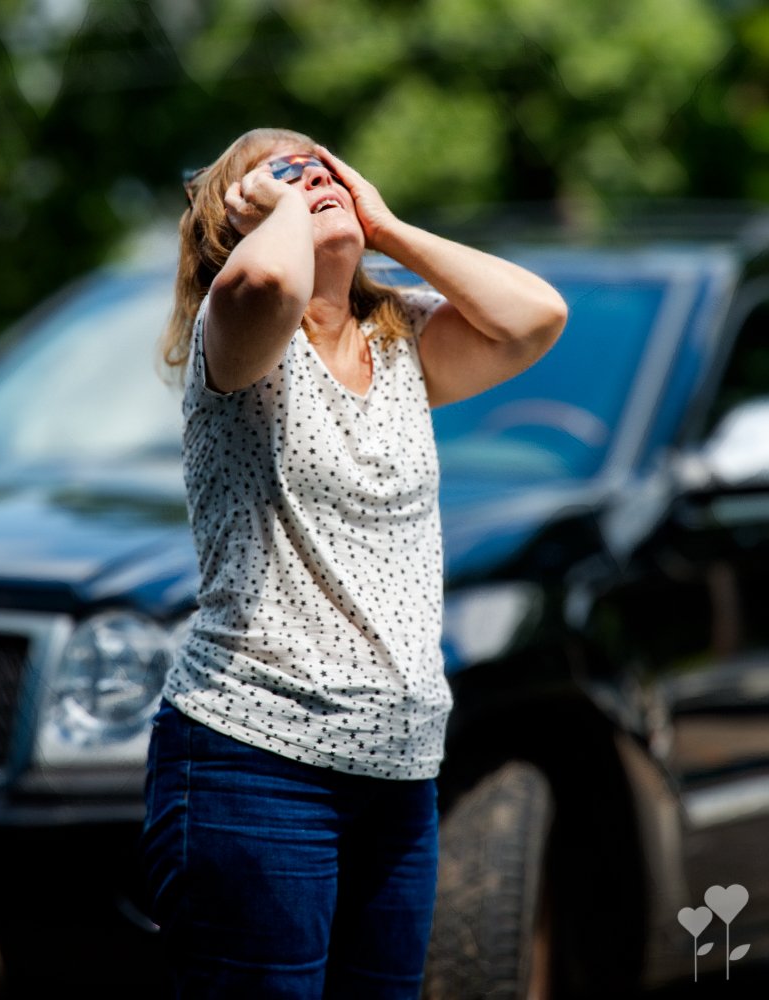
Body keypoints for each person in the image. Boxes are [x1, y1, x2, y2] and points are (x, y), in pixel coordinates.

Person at [140, 126, 567, 999]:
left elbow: (538, 317)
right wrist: (288, 209)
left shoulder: (401, 340)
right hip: (254, 766)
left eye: (325, 166)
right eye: (284, 173)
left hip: (400, 773)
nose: (315, 180)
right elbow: (269, 278)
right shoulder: (244, 327)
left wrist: (389, 225)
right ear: (240, 215)